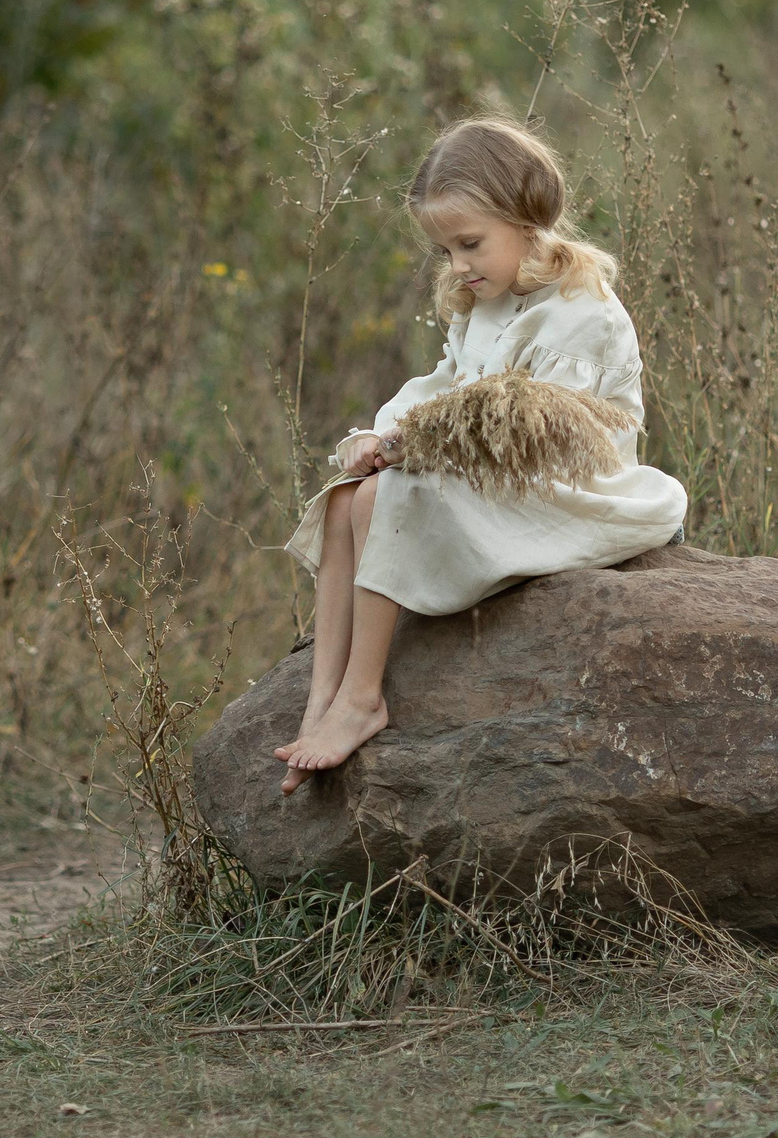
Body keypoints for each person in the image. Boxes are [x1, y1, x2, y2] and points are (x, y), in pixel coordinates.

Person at [274, 117, 689, 793]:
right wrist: (383, 434)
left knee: (389, 497)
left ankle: (362, 698)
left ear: (528, 220)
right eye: (445, 251)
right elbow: (446, 385)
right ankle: (323, 695)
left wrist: (426, 449)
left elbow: (535, 430)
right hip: (493, 475)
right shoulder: (485, 298)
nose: (459, 266)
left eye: (470, 244)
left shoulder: (580, 312)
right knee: (349, 494)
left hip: (568, 489)